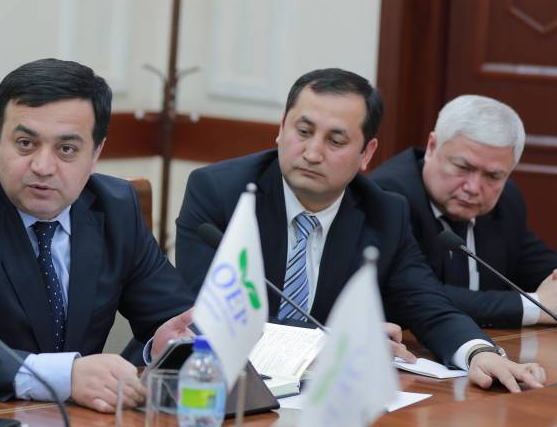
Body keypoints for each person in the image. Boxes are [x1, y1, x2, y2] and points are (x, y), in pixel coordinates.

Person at [176, 68, 546, 392]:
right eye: (303, 131)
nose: (313, 152)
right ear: (281, 129)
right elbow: (206, 317)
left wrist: (478, 352)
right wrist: (333, 344)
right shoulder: (220, 192)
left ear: (367, 154)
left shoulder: (383, 211)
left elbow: (426, 302)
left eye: (335, 141)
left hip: (321, 398)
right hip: (213, 384)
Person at [0, 58, 195, 412]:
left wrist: (164, 346)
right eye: (26, 143)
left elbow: (175, 320)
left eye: (66, 149)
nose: (43, 167)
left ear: (96, 153)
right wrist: (63, 376)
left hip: (67, 426)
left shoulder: (116, 209)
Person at [370, 95, 557, 328]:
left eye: (493, 176)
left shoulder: (506, 200)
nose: (473, 188)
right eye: (463, 167)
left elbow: (539, 265)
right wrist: (535, 306)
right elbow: (411, 296)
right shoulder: (387, 198)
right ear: (432, 147)